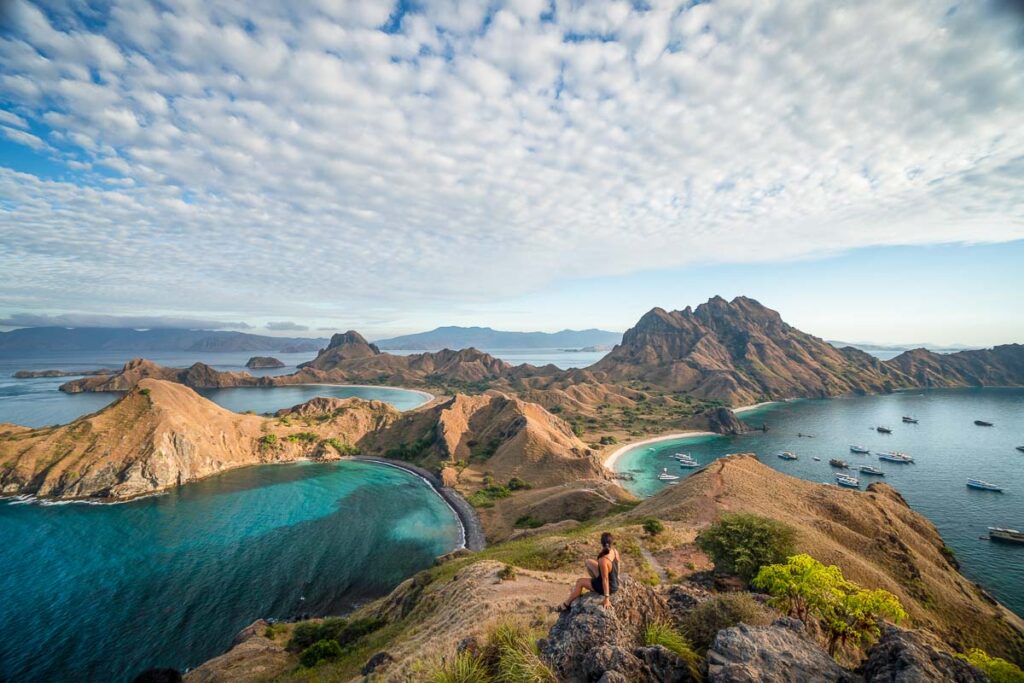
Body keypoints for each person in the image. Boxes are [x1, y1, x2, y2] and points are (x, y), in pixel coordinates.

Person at [559, 531, 619, 610]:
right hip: (614, 583)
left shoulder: (603, 560)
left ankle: (566, 604)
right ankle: (595, 580)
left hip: (608, 587)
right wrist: (617, 578)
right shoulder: (615, 551)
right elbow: (618, 565)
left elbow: (605, 580)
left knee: (580, 582)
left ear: (601, 543)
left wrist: (606, 598)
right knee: (588, 562)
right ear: (611, 542)